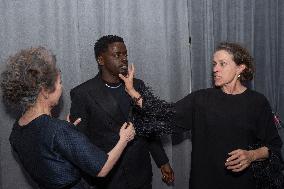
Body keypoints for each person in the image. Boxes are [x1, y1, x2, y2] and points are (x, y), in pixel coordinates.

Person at [0, 47, 136, 189]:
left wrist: (63, 138)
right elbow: (102, 169)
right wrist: (124, 138)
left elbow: (46, 152)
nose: (61, 87)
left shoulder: (17, 129)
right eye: (59, 83)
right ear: (45, 91)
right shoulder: (58, 130)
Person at [70, 35, 174, 189]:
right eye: (117, 55)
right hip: (109, 178)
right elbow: (81, 145)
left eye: (125, 54)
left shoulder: (137, 86)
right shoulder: (83, 93)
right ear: (101, 60)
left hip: (141, 174)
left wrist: (162, 161)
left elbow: (149, 127)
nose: (124, 59)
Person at [174, 42, 283, 189]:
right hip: (204, 182)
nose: (215, 69)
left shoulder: (257, 102)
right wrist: (135, 94)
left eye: (222, 64)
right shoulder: (200, 99)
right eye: (214, 64)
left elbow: (273, 146)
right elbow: (166, 116)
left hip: (243, 183)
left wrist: (251, 155)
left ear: (240, 68)